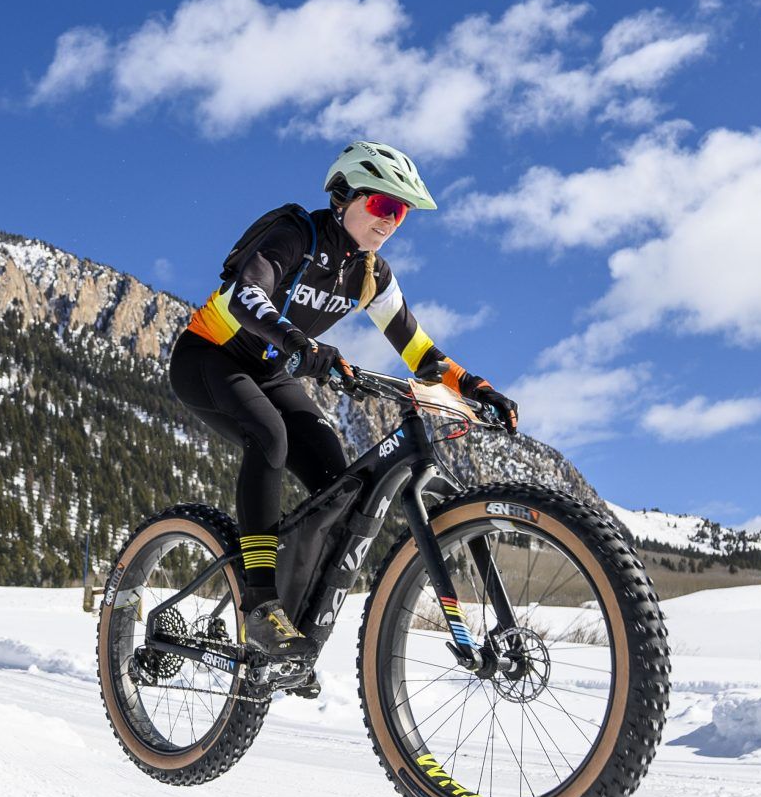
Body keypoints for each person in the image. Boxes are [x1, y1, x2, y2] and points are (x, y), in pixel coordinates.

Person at [169, 141, 519, 660]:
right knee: (270, 438)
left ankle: (290, 627)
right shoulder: (295, 234)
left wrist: (474, 386)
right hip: (210, 356)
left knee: (339, 487)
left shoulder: (372, 275)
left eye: (400, 212)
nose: (391, 221)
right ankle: (261, 604)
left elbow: (419, 352)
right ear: (344, 196)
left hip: (269, 370)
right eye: (382, 205)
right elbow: (246, 294)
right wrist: (300, 344)